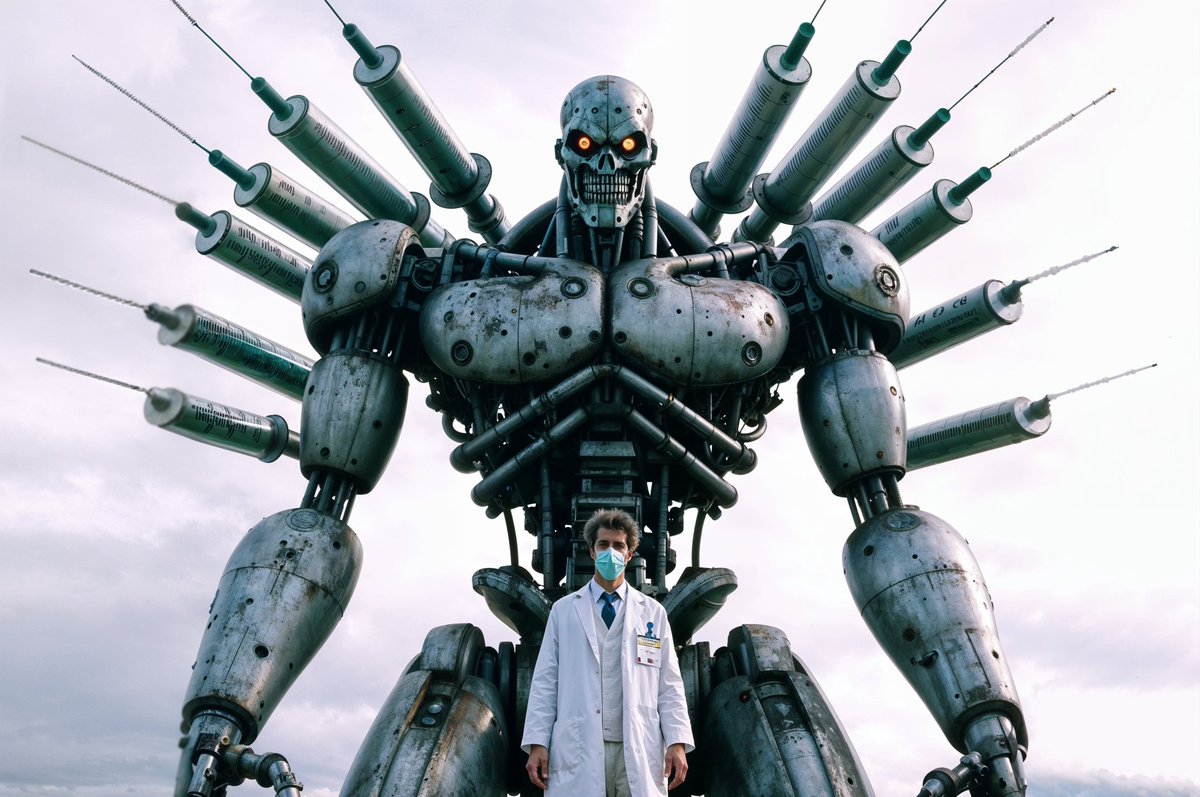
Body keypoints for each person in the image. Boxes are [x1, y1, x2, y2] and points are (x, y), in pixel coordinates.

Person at [522, 508, 693, 796]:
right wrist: (538, 742)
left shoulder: (653, 613)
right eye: (603, 545)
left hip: (637, 745)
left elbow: (669, 686)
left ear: (629, 555)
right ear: (592, 552)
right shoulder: (563, 612)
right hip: (580, 745)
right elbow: (545, 682)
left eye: (618, 545)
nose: (610, 552)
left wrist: (676, 742)